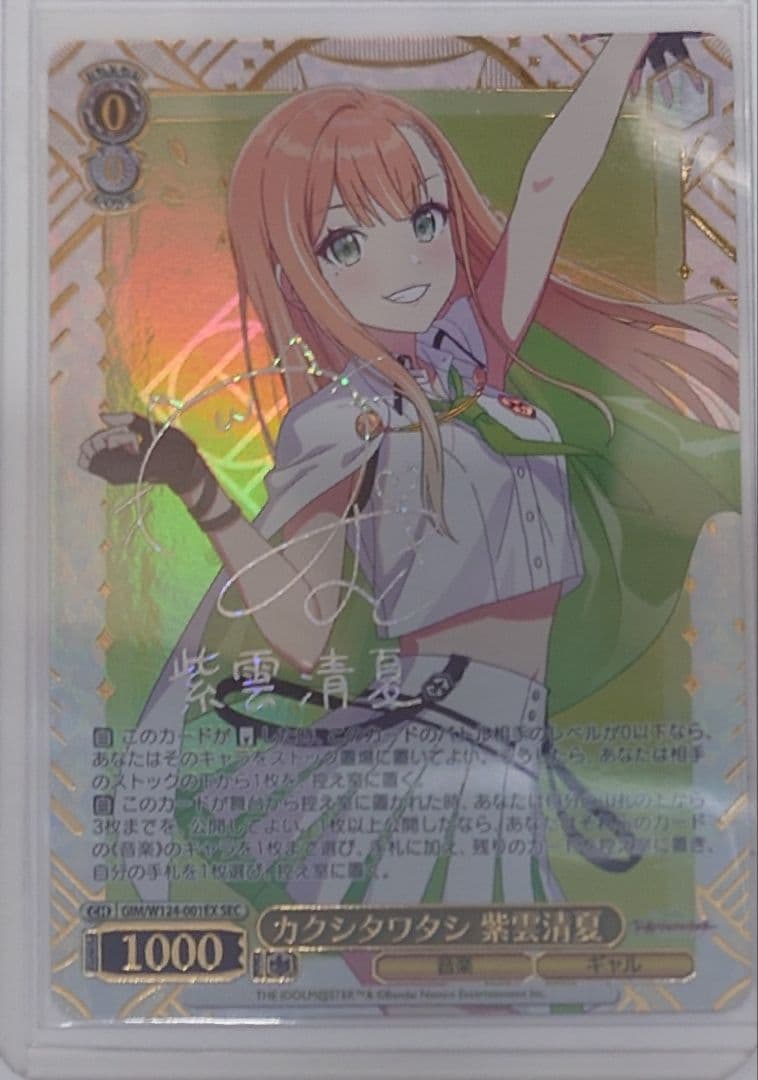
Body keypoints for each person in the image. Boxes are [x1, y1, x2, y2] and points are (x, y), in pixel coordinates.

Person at [80, 33, 739, 910]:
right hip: (426, 763)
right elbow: (306, 633)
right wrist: (194, 483)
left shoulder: (471, 357)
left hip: (506, 762)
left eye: (425, 221)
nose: (408, 263)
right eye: (345, 243)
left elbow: (547, 190)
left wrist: (624, 43)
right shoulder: (337, 424)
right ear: (295, 269)